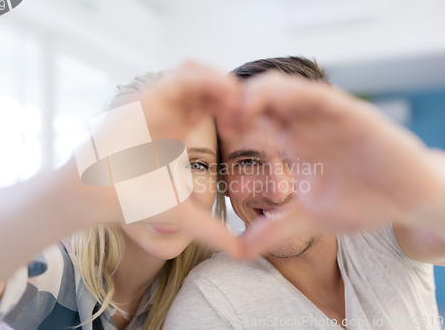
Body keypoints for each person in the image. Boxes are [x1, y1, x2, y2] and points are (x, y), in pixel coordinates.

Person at [0, 63, 243, 330]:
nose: (173, 189)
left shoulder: (209, 288)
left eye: (198, 164)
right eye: (145, 159)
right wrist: (62, 192)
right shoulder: (56, 273)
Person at [164, 57, 445, 329]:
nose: (278, 190)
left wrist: (416, 176)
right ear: (223, 176)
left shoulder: (385, 226)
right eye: (247, 162)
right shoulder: (213, 303)